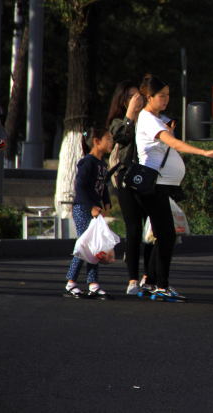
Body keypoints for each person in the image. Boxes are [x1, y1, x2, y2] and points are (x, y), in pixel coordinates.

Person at [136, 75, 213, 302]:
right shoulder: (148, 119)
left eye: (168, 96)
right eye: (161, 96)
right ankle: (160, 286)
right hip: (156, 186)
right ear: (149, 97)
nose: (166, 100)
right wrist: (204, 152)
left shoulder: (156, 119)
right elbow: (173, 144)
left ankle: (151, 283)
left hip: (163, 186)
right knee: (166, 236)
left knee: (162, 235)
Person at [107, 80, 153, 295]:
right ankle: (133, 280)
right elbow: (120, 137)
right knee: (134, 229)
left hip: (150, 178)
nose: (137, 99)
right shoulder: (119, 122)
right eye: (131, 97)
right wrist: (131, 116)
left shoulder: (150, 119)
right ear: (123, 101)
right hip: (127, 178)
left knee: (151, 229)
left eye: (139, 96)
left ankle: (149, 277)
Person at [63, 126, 114, 300]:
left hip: (94, 211)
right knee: (85, 246)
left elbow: (103, 185)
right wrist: (91, 206)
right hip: (83, 209)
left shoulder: (102, 163)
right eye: (108, 138)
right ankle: (71, 284)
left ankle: (94, 285)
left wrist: (106, 202)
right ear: (97, 141)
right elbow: (80, 187)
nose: (112, 142)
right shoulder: (88, 162)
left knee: (94, 248)